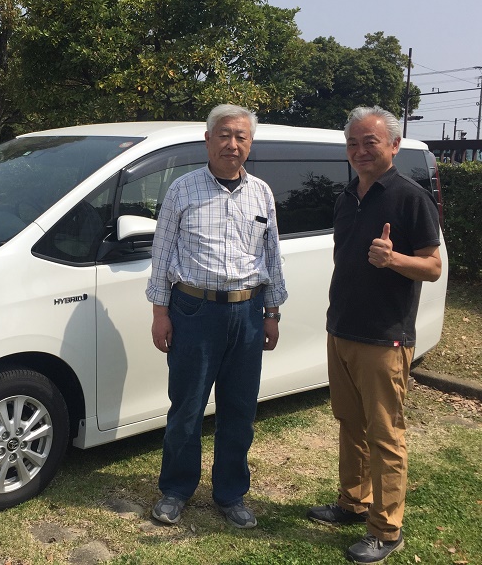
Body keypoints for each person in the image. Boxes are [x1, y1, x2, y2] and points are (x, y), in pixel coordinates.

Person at [307, 106, 442, 564]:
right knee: (349, 423)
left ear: (394, 146)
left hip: (385, 337)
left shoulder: (410, 198)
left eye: (371, 142)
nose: (361, 150)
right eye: (353, 143)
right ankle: (352, 501)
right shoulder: (347, 196)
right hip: (342, 327)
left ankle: (386, 529)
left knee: (386, 434)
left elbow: (434, 265)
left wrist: (394, 260)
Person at [146, 104, 287, 528]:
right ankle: (176, 489)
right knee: (186, 407)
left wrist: (272, 311)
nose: (232, 144)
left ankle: (231, 493)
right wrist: (160, 312)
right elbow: (161, 254)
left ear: (250, 143)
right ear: (208, 139)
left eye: (241, 136)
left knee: (239, 410)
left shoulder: (262, 193)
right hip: (192, 309)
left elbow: (272, 255)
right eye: (224, 135)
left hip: (247, 311)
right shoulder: (182, 190)